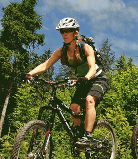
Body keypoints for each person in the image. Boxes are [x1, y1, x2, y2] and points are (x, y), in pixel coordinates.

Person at [27, 17, 109, 148]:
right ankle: (79, 132)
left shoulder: (86, 48)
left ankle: (88, 136)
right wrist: (29, 74)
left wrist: (86, 78)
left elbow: (92, 68)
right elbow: (45, 65)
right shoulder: (61, 51)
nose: (64, 34)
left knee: (89, 100)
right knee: (74, 107)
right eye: (62, 31)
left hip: (98, 79)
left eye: (67, 31)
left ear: (75, 32)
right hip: (83, 81)